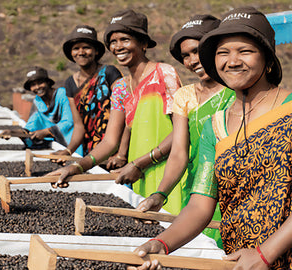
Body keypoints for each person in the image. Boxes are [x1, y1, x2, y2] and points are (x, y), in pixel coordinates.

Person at [132, 7, 292, 270]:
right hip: (240, 261)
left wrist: (265, 253)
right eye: (222, 53)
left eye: (245, 51)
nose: (232, 61)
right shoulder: (215, 127)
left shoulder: (288, 108)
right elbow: (200, 204)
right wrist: (162, 244)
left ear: (268, 58)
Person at [48, 9, 183, 216]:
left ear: (143, 43)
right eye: (113, 41)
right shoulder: (120, 87)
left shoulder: (163, 74)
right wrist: (77, 167)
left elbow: (182, 131)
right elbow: (110, 141)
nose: (117, 46)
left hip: (170, 177)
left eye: (125, 39)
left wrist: (139, 162)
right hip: (140, 177)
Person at [135, 15, 236, 248]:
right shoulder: (185, 96)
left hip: (235, 194)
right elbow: (179, 152)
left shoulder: (239, 91)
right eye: (186, 56)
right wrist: (161, 193)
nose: (192, 60)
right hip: (198, 192)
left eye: (198, 50)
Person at [51, 24, 122, 158]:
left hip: (115, 151)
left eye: (86, 48)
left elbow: (125, 113)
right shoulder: (70, 83)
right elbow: (79, 125)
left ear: (96, 51)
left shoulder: (110, 73)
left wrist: (121, 154)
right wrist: (69, 151)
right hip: (90, 152)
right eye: (76, 48)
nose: (81, 52)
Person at [0, 66, 74, 149]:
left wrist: (46, 132)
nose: (37, 87)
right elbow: (33, 123)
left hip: (71, 144)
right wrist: (13, 132)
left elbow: (69, 122)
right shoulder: (38, 101)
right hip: (54, 145)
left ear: (48, 82)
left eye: (40, 82)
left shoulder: (62, 95)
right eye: (33, 85)